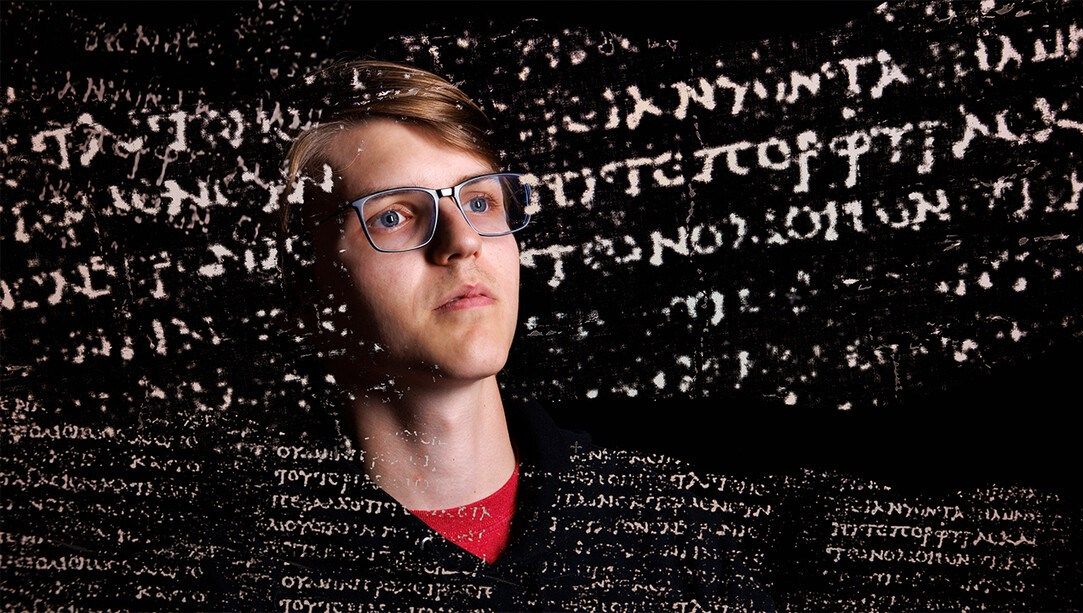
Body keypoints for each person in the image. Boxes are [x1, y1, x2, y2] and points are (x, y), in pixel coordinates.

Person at [235, 57, 779, 611]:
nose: (463, 241)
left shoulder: (685, 541)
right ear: (304, 289)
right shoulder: (240, 574)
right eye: (393, 216)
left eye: (478, 202)